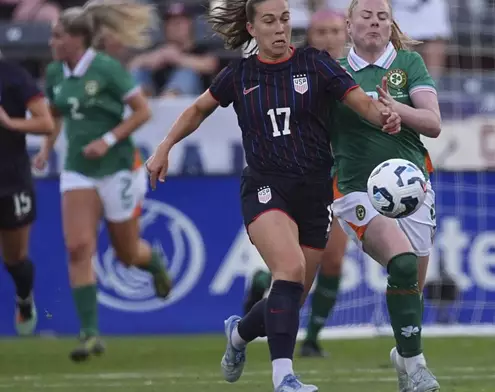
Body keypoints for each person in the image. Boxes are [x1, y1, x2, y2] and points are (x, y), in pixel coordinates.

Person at [145, 0, 401, 388]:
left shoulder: (315, 63)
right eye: (269, 21)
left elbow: (360, 102)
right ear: (252, 29)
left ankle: (238, 335)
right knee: (289, 271)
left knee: (290, 299)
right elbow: (198, 109)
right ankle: (284, 377)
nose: (280, 28)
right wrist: (164, 147)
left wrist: (386, 115)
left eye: (284, 19)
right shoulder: (239, 74)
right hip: (266, 186)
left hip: (315, 191)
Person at [34, 0, 173, 362]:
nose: (52, 42)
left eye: (58, 35)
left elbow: (143, 111)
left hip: (118, 167)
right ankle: (90, 333)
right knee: (79, 247)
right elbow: (56, 114)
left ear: (78, 39)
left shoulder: (107, 69)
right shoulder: (54, 74)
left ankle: (152, 262)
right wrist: (47, 147)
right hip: (78, 169)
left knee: (127, 254)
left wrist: (108, 139)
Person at [329, 0, 442, 390]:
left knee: (412, 285)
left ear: (390, 24)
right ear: (349, 25)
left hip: (411, 188)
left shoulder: (409, 64)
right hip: (355, 189)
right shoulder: (336, 72)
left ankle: (403, 355)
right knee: (404, 264)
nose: (375, 23)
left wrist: (397, 109)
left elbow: (433, 123)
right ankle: (416, 365)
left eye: (382, 17)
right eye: (367, 16)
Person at [241, 8, 350, 359]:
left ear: (347, 35)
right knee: (297, 270)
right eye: (322, 32)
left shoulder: (356, 74)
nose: (330, 38)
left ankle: (313, 338)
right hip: (300, 178)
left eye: (336, 31)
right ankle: (264, 286)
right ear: (310, 37)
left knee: (333, 261)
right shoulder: (301, 69)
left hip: (342, 175)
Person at [0, 59, 55, 336]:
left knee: (15, 258)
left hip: (10, 182)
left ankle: (24, 299)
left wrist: (9, 122)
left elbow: (46, 123)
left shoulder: (13, 76)